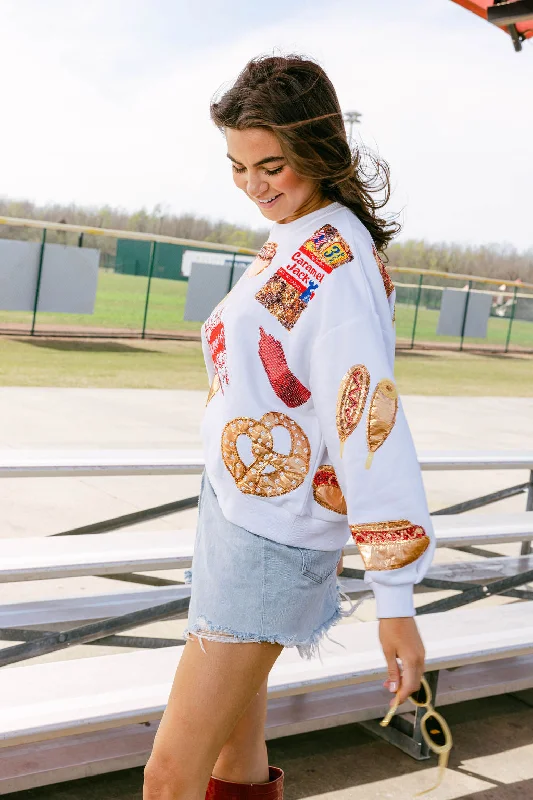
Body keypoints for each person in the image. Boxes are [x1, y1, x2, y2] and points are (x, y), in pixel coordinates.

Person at [143, 53, 436, 800]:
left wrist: (394, 599)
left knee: (169, 775)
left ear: (317, 150)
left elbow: (367, 420)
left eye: (271, 165)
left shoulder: (334, 261)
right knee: (231, 760)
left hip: (271, 540)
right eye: (238, 167)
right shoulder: (300, 234)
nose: (253, 186)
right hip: (240, 513)